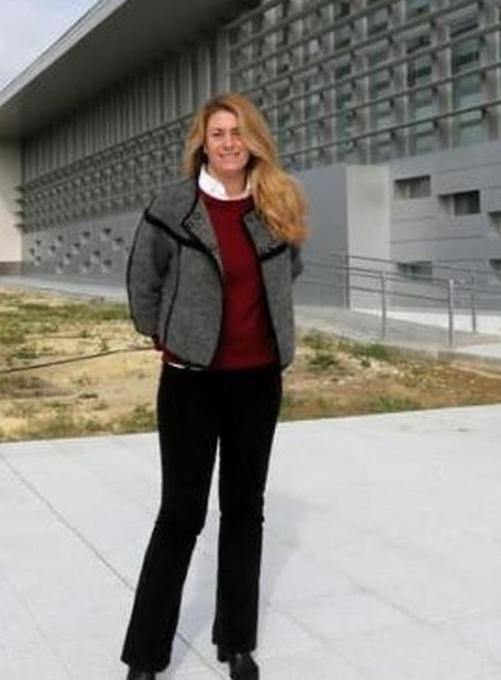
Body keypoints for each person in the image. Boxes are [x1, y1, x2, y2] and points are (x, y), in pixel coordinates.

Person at [120, 93, 308, 680]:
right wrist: (168, 335)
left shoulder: (278, 202)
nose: (228, 144)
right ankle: (147, 655)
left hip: (257, 382)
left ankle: (237, 642)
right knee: (180, 514)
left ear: (255, 140)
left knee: (244, 511)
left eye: (238, 133)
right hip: (190, 382)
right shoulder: (172, 207)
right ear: (202, 142)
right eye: (218, 133)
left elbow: (289, 271)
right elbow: (141, 279)